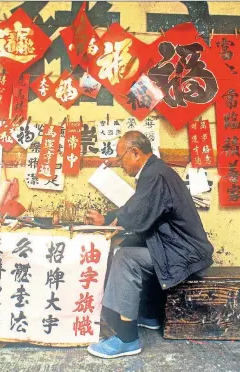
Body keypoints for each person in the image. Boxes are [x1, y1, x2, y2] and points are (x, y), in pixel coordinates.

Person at [85, 131, 214, 359]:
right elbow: (140, 210)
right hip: (180, 248)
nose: (120, 164)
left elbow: (136, 214)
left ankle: (127, 339)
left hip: (185, 253)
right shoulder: (155, 171)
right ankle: (149, 314)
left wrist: (108, 219)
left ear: (135, 152)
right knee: (132, 242)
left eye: (121, 157)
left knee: (125, 257)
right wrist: (108, 219)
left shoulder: (155, 175)